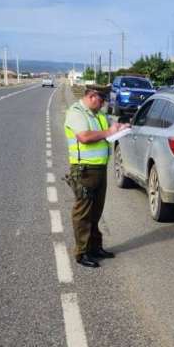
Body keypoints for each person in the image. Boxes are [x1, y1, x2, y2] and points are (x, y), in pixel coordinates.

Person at [64, 85, 129, 268]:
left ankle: (95, 247)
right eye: (101, 100)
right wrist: (109, 132)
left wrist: (121, 127)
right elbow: (84, 137)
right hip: (84, 169)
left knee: (96, 211)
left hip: (99, 168)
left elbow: (109, 128)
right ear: (92, 96)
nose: (103, 104)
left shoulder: (99, 114)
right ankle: (82, 252)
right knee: (83, 212)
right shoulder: (76, 112)